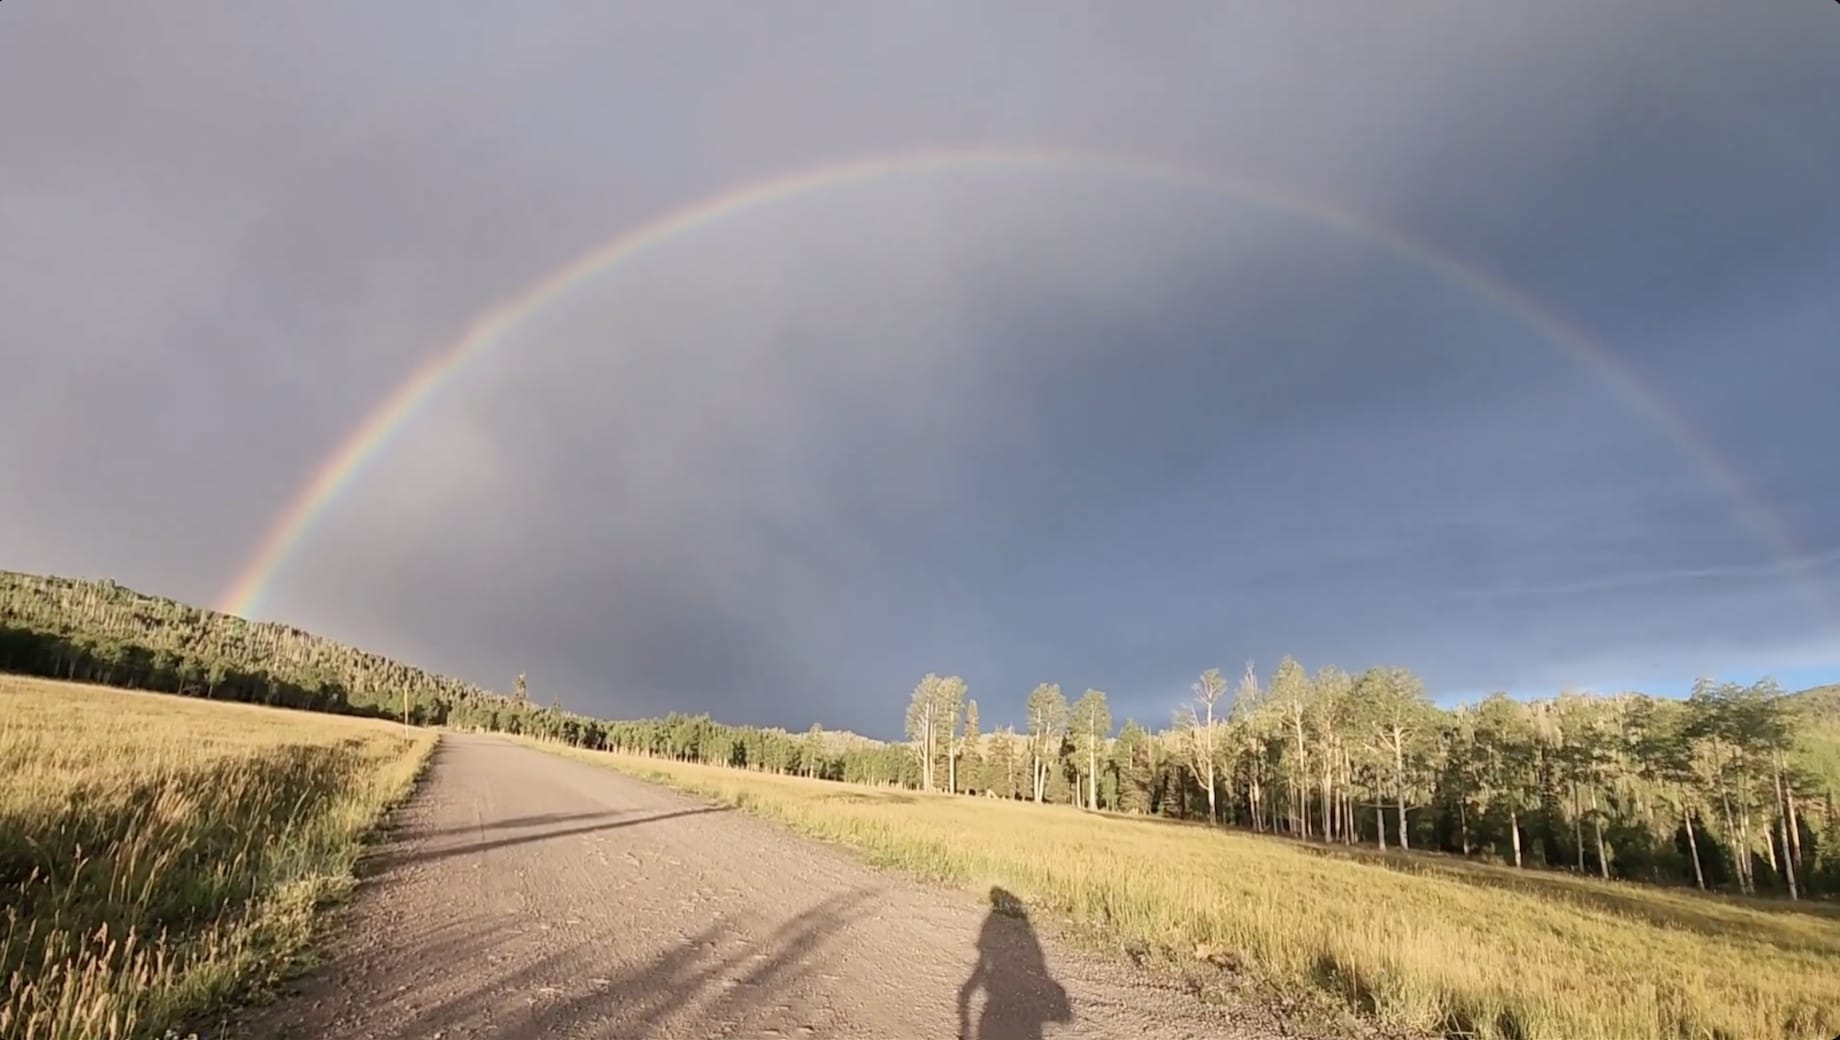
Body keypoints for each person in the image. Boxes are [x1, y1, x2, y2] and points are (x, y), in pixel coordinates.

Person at [956, 886, 1072, 1040]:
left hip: (993, 1016)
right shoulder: (1027, 936)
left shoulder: (993, 933)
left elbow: (972, 983)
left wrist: (965, 1024)